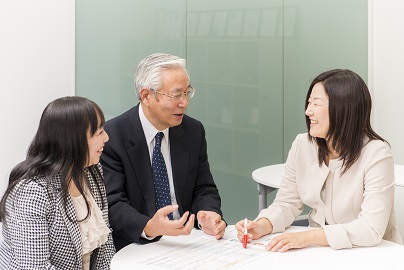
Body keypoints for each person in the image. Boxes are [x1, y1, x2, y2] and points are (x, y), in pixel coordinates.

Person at [236, 69, 403, 252]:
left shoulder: (376, 153)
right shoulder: (302, 144)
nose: (308, 111)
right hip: (321, 251)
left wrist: (306, 237)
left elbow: (370, 228)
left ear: (343, 109)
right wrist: (262, 225)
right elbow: (287, 203)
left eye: (316, 104)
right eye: (309, 103)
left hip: (372, 253)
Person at [100, 53, 226, 251]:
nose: (184, 103)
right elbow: (112, 204)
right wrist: (150, 226)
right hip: (136, 244)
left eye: (187, 93)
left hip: (188, 242)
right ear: (146, 96)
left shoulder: (193, 131)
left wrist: (206, 214)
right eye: (176, 95)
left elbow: (204, 188)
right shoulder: (113, 136)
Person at [0, 97, 115, 269]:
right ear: (73, 140)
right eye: (98, 132)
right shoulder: (31, 192)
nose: (106, 137)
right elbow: (34, 267)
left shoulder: (91, 170)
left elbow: (105, 247)